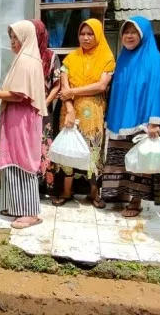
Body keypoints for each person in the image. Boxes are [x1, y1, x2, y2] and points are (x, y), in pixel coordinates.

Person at [0, 20, 47, 228]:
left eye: (16, 37)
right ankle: (16, 206)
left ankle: (31, 212)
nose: (12, 42)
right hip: (17, 118)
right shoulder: (24, 59)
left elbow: (18, 95)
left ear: (26, 38)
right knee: (12, 158)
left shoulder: (26, 60)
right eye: (11, 37)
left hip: (22, 119)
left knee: (23, 160)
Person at [102, 16, 160, 217]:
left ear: (143, 35)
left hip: (142, 121)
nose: (129, 36)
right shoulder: (123, 58)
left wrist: (154, 122)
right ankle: (121, 194)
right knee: (121, 158)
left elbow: (158, 91)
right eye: (126, 32)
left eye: (134, 32)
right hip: (121, 117)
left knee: (139, 162)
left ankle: (136, 202)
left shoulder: (153, 59)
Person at [55, 19, 116, 209]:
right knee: (67, 150)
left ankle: (93, 193)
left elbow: (101, 86)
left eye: (90, 34)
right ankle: (67, 190)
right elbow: (64, 88)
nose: (86, 37)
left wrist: (74, 92)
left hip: (93, 114)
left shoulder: (106, 58)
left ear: (97, 35)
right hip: (69, 111)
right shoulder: (70, 58)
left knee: (92, 151)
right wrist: (70, 109)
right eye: (82, 34)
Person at [31, 20, 61, 195]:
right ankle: (30, 185)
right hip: (26, 110)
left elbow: (56, 85)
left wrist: (44, 104)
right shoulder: (24, 55)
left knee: (44, 145)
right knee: (30, 146)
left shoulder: (50, 57)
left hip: (44, 110)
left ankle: (44, 185)